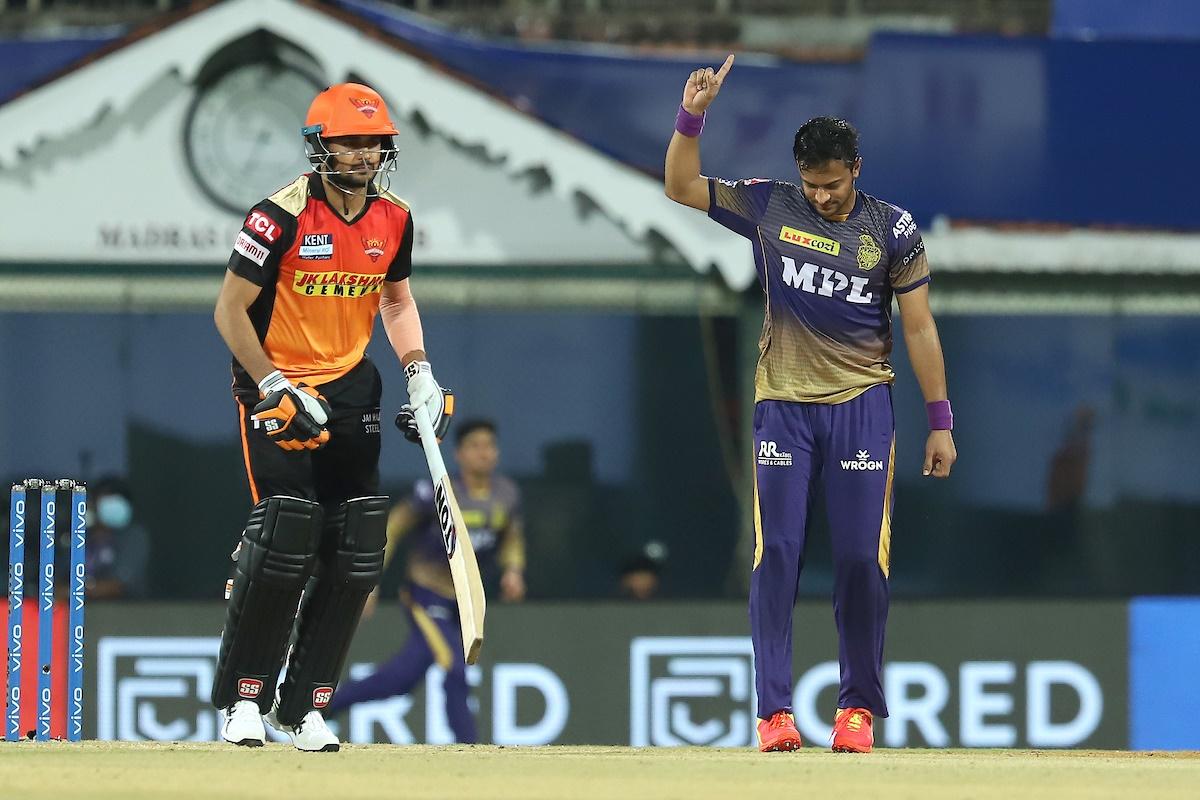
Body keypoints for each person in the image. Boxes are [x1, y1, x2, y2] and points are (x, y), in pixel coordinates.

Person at [664, 55, 957, 754]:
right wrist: (692, 115)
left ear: (856, 167)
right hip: (784, 408)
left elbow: (918, 325)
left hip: (863, 405)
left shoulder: (893, 230)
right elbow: (679, 185)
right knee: (779, 553)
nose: (822, 197)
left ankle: (856, 710)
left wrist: (940, 421)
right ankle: (775, 713)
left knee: (860, 559)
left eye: (832, 184)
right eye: (812, 185)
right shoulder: (770, 205)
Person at [209, 82, 453, 752]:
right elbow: (228, 312)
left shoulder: (395, 218)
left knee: (353, 552)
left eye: (375, 143)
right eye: (350, 142)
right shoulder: (276, 217)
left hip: (350, 388)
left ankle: (305, 705)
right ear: (320, 146)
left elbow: (396, 302)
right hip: (276, 389)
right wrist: (274, 382)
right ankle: (243, 701)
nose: (365, 155)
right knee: (285, 538)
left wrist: (420, 370)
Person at [327, 418, 525, 743]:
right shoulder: (437, 490)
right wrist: (370, 582)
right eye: (475, 446)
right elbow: (392, 528)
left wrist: (513, 571)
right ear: (458, 454)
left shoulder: (507, 495)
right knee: (455, 668)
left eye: (489, 446)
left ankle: (326, 706)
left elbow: (512, 539)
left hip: (465, 603)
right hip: (425, 596)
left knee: (401, 679)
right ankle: (471, 749)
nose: (483, 453)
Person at [84, 476, 150, 599]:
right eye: (102, 500)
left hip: (124, 611)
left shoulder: (133, 536)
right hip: (79, 612)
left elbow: (117, 586)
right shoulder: (81, 536)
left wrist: (71, 591)